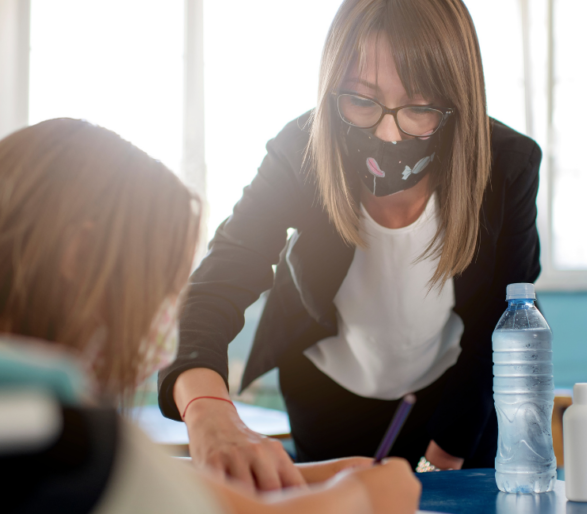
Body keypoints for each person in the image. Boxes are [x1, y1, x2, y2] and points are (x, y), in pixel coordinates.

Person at [0, 118, 420, 514]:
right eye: (158, 287)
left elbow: (159, 486)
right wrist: (372, 493)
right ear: (78, 255)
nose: (161, 320)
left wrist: (322, 475)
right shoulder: (50, 425)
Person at [161, 0, 543, 492]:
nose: (387, 132)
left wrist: (444, 454)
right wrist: (208, 411)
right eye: (361, 101)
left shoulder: (507, 167)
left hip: (457, 398)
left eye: (419, 107)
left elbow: (503, 317)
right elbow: (219, 279)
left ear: (458, 102)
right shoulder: (300, 151)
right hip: (328, 395)